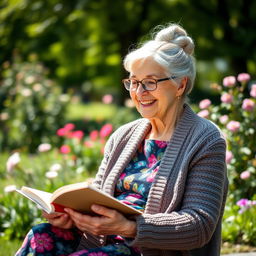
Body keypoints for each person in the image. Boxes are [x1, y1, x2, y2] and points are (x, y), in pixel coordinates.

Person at [15, 23, 228, 256]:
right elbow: (99, 196)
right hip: (104, 241)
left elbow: (199, 225)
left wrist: (129, 227)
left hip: (152, 250)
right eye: (134, 82)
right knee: (40, 236)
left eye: (150, 82)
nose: (139, 92)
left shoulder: (206, 140)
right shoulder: (124, 136)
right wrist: (74, 217)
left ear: (181, 85)